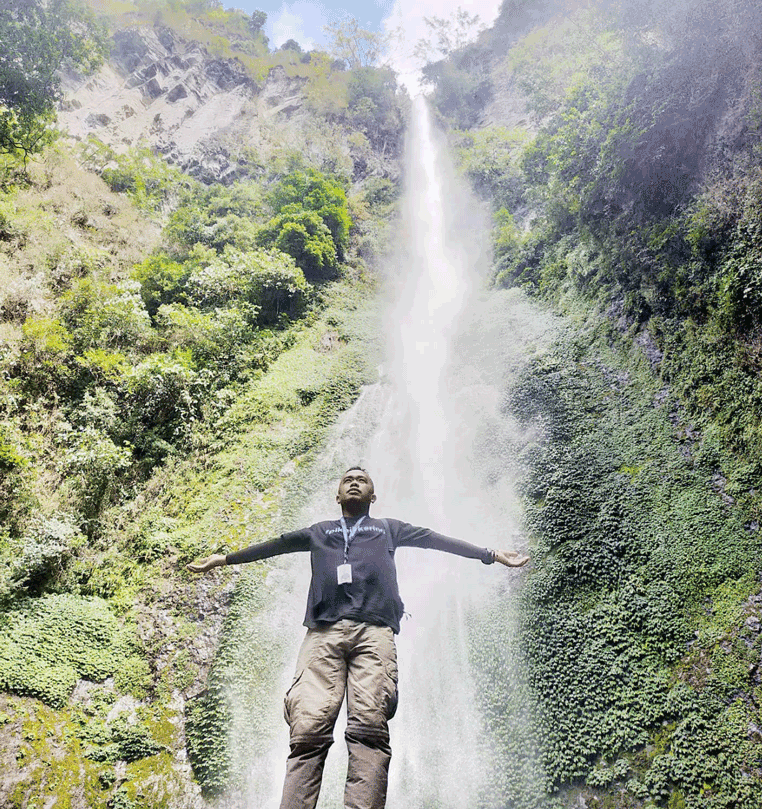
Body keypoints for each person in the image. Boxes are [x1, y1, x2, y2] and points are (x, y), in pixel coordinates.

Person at [187, 466, 529, 809]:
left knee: (369, 727)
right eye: (347, 480)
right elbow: (277, 545)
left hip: (374, 633)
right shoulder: (319, 531)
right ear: (337, 496)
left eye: (362, 480)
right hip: (322, 634)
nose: (354, 482)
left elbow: (434, 539)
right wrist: (225, 560)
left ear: (372, 497)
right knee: (307, 730)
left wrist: (491, 555)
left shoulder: (387, 529)